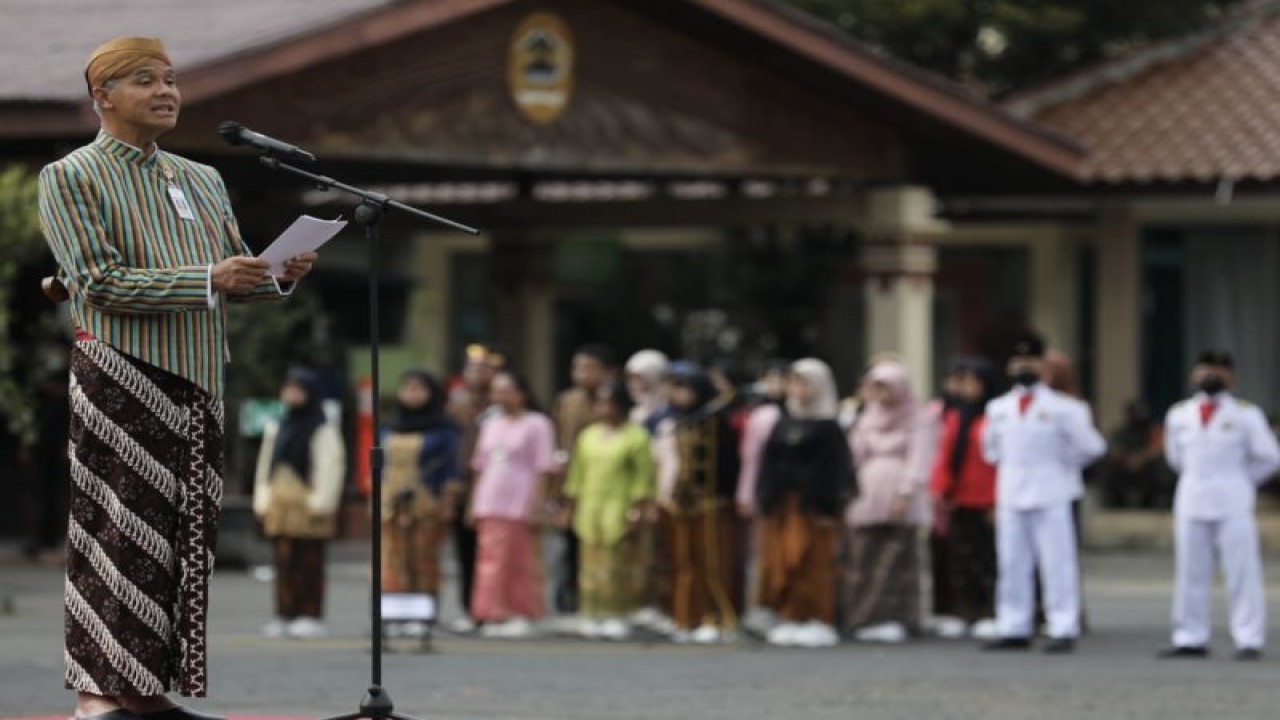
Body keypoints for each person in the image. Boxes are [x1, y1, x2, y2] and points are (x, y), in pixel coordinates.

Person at [38, 37, 316, 720]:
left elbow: (234, 275)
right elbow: (98, 284)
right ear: (102, 96)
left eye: (170, 80)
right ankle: (100, 695)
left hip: (198, 381)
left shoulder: (201, 178)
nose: (166, 92)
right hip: (120, 374)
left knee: (184, 541)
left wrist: (275, 274)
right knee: (117, 534)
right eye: (145, 80)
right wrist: (208, 278)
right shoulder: (71, 176)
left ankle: (144, 690)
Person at [981, 332, 1104, 654]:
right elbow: (991, 451)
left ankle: (1063, 625)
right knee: (1012, 562)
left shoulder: (1066, 408)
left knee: (1057, 562)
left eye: (1031, 361)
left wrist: (1062, 466)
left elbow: (1091, 447)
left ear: (1044, 366)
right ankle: (1014, 625)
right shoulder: (998, 408)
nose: (1024, 367)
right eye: (1019, 361)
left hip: (1052, 492)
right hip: (1011, 492)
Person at [1159, 351, 1280, 661]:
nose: (1210, 376)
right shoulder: (1179, 414)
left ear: (1231, 377)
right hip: (1191, 498)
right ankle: (1190, 636)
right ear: (1193, 375)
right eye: (1205, 370)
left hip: (1232, 500)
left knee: (1241, 571)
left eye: (1218, 370)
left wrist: (1242, 480)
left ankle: (1248, 638)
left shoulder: (1246, 414)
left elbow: (1269, 457)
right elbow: (1175, 458)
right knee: (1190, 571)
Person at [755, 359, 855, 648]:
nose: (796, 389)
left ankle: (818, 617)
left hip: (814, 507)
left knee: (814, 561)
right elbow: (769, 462)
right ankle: (790, 615)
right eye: (793, 382)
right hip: (784, 506)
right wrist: (765, 495)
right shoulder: (783, 422)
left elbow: (839, 471)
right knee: (784, 562)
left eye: (803, 383)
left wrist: (830, 506)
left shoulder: (829, 427)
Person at [842, 360, 932, 643]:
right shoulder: (867, 417)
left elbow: (919, 459)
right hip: (868, 492)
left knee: (896, 560)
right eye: (876, 387)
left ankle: (898, 617)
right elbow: (856, 454)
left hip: (898, 492)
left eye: (886, 388)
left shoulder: (917, 418)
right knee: (864, 558)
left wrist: (906, 492)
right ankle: (862, 616)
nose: (881, 395)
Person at [252, 368, 345, 640]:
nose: (291, 395)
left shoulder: (322, 429)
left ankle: (310, 614)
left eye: (298, 390)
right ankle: (284, 614)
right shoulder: (278, 426)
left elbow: (331, 466)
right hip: (280, 505)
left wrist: (321, 502)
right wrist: (263, 498)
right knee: (283, 563)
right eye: (288, 389)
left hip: (307, 505)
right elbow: (265, 466)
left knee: (309, 563)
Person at [654, 362, 743, 643]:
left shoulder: (717, 421)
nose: (675, 394)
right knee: (682, 564)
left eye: (681, 388)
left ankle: (718, 617)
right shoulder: (677, 422)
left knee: (712, 564)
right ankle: (685, 617)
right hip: (682, 505)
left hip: (711, 503)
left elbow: (729, 465)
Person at [563, 382, 657, 640]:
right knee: (589, 565)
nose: (604, 408)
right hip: (590, 507)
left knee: (618, 564)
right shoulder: (588, 435)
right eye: (600, 402)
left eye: (609, 402)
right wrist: (570, 505)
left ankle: (618, 613)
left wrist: (638, 508)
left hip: (619, 505)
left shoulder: (636, 436)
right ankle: (591, 612)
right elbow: (577, 474)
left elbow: (643, 477)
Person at [468, 371, 556, 639]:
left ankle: (522, 611)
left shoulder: (537, 424)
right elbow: (480, 465)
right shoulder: (490, 423)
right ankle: (490, 611)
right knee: (490, 560)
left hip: (520, 500)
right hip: (490, 499)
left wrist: (537, 504)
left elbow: (543, 467)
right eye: (496, 391)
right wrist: (473, 502)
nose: (500, 396)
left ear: (521, 393)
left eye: (506, 390)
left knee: (521, 560)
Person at [380, 369, 461, 639]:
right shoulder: (389, 427)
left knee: (423, 559)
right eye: (407, 388)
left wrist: (448, 501)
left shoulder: (444, 430)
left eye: (419, 388)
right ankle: (394, 614)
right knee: (392, 559)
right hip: (391, 502)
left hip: (426, 501)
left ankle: (422, 615)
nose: (412, 394)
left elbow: (450, 470)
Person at [928, 357, 1000, 640]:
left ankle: (990, 611)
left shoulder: (996, 415)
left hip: (988, 496)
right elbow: (945, 455)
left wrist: (997, 500)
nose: (966, 387)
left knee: (988, 558)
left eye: (972, 381)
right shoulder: (956, 416)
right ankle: (964, 611)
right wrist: (940, 489)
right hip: (959, 496)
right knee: (960, 559)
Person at [551, 344, 616, 616]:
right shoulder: (566, 401)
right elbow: (557, 438)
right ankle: (568, 596)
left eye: (589, 368)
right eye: (577, 368)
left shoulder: (610, 401)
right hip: (569, 480)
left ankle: (601, 599)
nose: (582, 374)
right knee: (569, 543)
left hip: (603, 481)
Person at [445, 344, 502, 633]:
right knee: (466, 551)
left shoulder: (503, 405)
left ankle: (495, 609)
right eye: (473, 369)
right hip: (463, 486)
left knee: (495, 553)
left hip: (496, 488)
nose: (478, 375)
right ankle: (470, 608)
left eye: (485, 369)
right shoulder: (455, 404)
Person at [735, 360, 791, 636]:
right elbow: (751, 458)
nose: (776, 385)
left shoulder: (805, 412)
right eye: (771, 379)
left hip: (795, 494)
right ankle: (760, 607)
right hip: (766, 491)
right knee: (761, 553)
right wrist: (746, 493)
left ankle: (791, 608)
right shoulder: (763, 416)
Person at [1098, 400, 1171, 509]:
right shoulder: (1121, 432)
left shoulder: (1151, 430)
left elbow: (1159, 448)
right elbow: (1113, 450)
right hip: (1124, 467)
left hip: (1147, 468)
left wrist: (1141, 458)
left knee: (1162, 468)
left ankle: (1158, 502)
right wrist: (1128, 460)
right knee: (1107, 467)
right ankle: (1112, 503)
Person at [624, 349, 671, 432]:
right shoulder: (635, 414)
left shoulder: (671, 411)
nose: (635, 385)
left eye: (640, 379)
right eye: (631, 379)